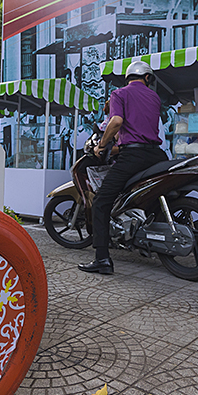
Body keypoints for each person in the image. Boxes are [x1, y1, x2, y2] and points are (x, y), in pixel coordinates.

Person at [78, 61, 168, 275]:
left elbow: (116, 121)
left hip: (134, 156)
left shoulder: (119, 94)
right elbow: (140, 128)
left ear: (129, 77)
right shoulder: (154, 97)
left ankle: (102, 259)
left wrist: (101, 146)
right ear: (147, 78)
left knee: (101, 202)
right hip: (156, 155)